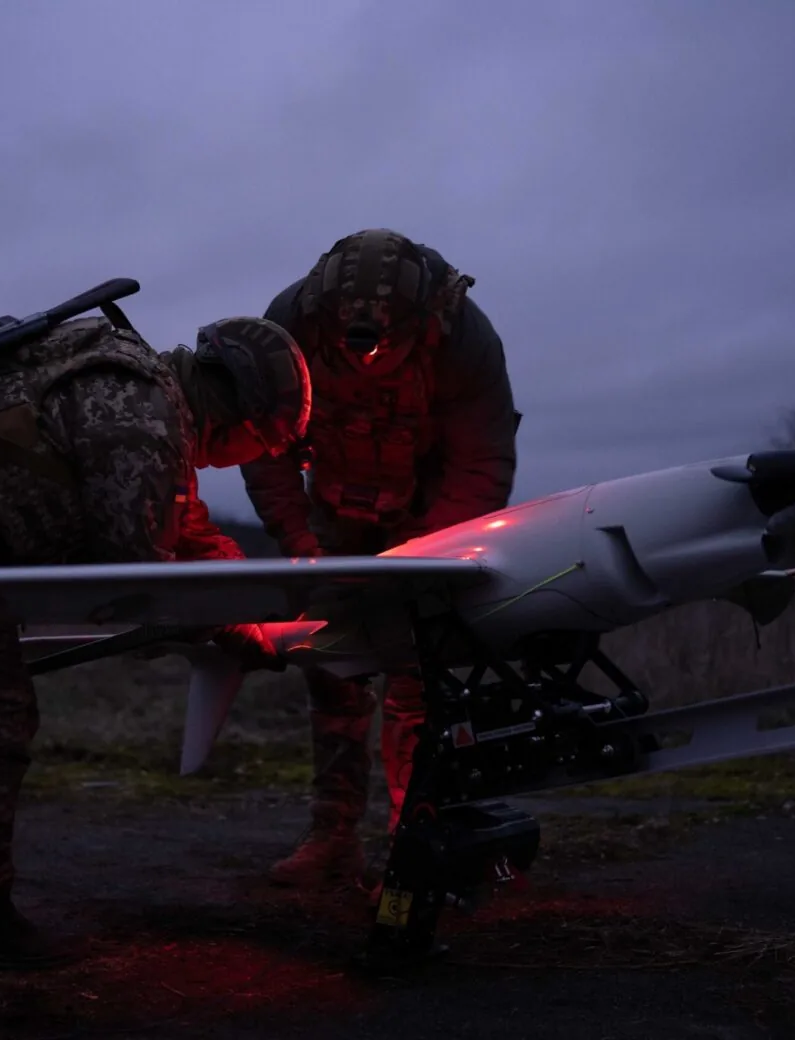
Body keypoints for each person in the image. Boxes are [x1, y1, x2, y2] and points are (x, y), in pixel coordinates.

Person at [0, 311, 312, 970]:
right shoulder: (145, 419)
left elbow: (177, 519)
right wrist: (239, 627)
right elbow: (139, 572)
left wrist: (247, 591)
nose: (252, 458)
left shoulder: (134, 389)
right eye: (263, 445)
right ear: (242, 410)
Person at [241, 228, 520, 891]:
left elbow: (482, 458)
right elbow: (263, 446)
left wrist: (428, 557)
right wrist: (302, 548)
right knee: (331, 665)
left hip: (428, 525)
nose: (365, 353)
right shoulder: (291, 325)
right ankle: (333, 837)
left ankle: (412, 838)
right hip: (332, 522)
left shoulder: (462, 338)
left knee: (418, 679)